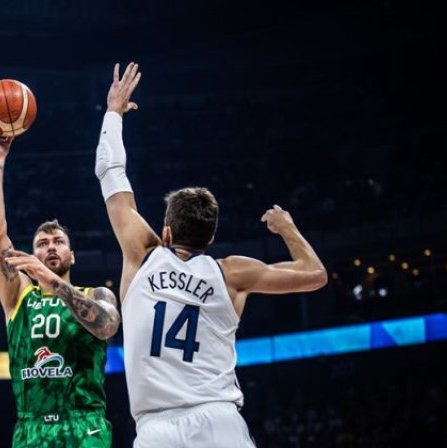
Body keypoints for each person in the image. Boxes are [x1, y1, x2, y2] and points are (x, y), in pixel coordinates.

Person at [93, 62, 328, 448]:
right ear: (212, 235)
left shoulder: (144, 252)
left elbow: (109, 171)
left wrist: (113, 112)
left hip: (157, 430)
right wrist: (286, 226)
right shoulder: (233, 273)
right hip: (219, 423)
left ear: (165, 231)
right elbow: (315, 274)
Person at [0, 114, 122, 448]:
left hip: (84, 425)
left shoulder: (96, 293)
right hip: (32, 428)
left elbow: (108, 327)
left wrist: (54, 283)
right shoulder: (19, 296)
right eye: (42, 243)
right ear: (33, 255)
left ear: (72, 256)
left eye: (58, 242)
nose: (50, 247)